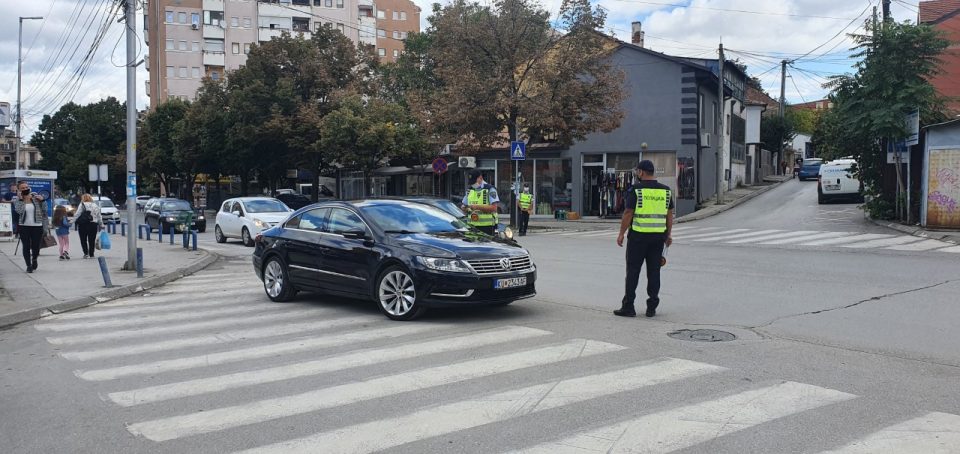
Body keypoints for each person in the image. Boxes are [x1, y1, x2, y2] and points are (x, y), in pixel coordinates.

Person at [615, 160, 674, 318]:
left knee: (633, 271)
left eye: (637, 171)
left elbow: (628, 213)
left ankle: (629, 307)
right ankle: (652, 307)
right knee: (654, 272)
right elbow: (669, 215)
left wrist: (621, 233)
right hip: (658, 239)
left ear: (641, 172)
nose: (636, 174)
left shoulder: (636, 190)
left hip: (638, 238)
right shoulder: (666, 191)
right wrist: (668, 235)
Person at [13, 181, 49, 273]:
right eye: (23, 188)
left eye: (26, 187)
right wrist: (21, 200)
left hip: (37, 226)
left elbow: (44, 209)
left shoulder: (35, 198)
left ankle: (34, 259)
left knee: (36, 246)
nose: (25, 189)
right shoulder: (17, 200)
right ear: (19, 190)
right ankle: (28, 265)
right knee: (26, 246)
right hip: (24, 226)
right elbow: (19, 211)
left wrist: (43, 200)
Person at [461, 169, 500, 236]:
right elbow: (463, 206)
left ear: (480, 178)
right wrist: (464, 208)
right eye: (471, 182)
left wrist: (477, 207)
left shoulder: (490, 189)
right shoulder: (469, 190)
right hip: (472, 225)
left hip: (487, 226)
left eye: (474, 182)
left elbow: (494, 208)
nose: (473, 184)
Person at [74, 193, 103, 259]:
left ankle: (86, 253)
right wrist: (101, 224)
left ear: (83, 198)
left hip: (83, 224)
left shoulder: (82, 205)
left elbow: (77, 214)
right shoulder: (95, 205)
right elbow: (99, 216)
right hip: (93, 224)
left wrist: (72, 221)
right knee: (92, 240)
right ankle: (92, 254)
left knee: (83, 240)